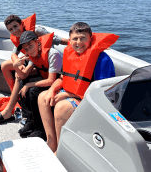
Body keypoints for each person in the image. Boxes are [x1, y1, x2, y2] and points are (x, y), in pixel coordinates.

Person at [37, 22, 118, 153]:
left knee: (61, 108)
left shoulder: (102, 59)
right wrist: (52, 90)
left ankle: (61, 150)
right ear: (69, 40)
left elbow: (100, 91)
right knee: (42, 97)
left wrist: (68, 95)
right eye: (75, 39)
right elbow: (63, 78)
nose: (79, 42)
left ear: (90, 39)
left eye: (83, 38)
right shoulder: (70, 55)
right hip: (73, 93)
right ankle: (52, 142)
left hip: (92, 99)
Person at [0, 14, 67, 125]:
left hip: (42, 59)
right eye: (10, 29)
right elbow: (13, 54)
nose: (14, 31)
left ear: (22, 24)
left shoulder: (36, 30)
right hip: (30, 57)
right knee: (5, 66)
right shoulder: (19, 38)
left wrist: (75, 43)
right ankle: (16, 98)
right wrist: (17, 63)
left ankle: (8, 111)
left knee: (19, 76)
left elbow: (58, 40)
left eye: (16, 26)